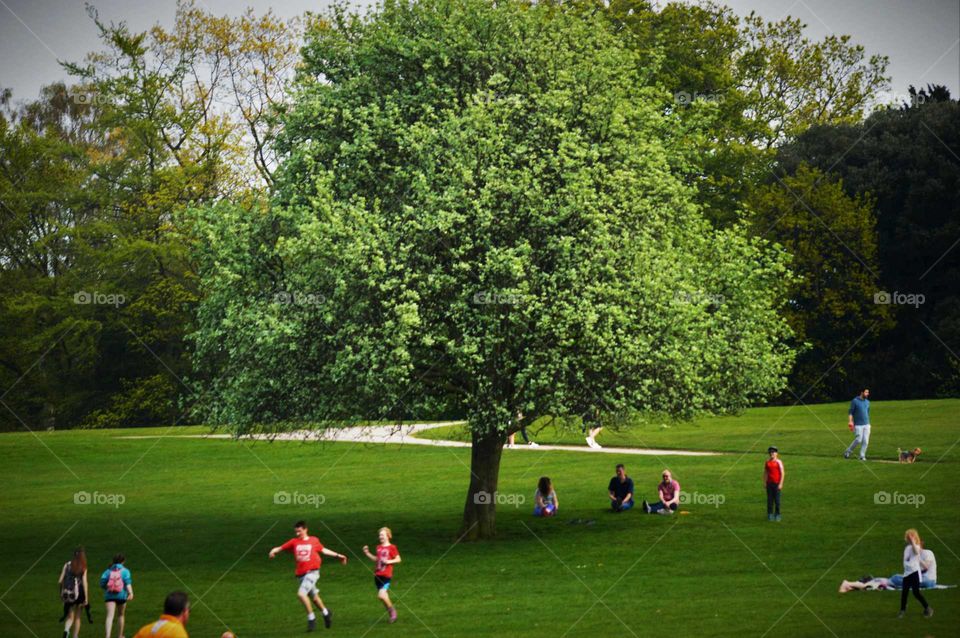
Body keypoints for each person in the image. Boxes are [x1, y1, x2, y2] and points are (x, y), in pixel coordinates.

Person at [269, 520, 348, 631]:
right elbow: (280, 548)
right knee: (314, 598)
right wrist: (273, 551)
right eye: (296, 532)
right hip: (300, 575)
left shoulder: (313, 540)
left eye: (299, 531)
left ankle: (311, 619)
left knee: (301, 594)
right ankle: (326, 613)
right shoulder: (294, 541)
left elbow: (324, 550)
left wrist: (339, 556)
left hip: (312, 573)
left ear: (305, 529)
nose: (297, 534)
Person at [362, 527, 402, 624]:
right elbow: (377, 559)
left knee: (381, 596)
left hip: (386, 576)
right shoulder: (378, 547)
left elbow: (398, 559)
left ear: (388, 536)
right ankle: (392, 615)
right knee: (384, 597)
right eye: (379, 535)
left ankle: (393, 612)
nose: (380, 537)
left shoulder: (392, 547)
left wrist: (388, 561)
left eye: (382, 535)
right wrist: (367, 553)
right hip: (377, 576)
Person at [898, 529, 933, 618]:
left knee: (916, 592)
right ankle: (902, 610)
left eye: (911, 537)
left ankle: (928, 608)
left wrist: (913, 542)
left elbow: (916, 552)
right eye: (908, 537)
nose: (909, 538)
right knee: (904, 593)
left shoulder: (916, 546)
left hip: (914, 573)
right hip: (907, 574)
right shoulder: (907, 548)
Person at [100, 553, 134, 638]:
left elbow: (102, 583)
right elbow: (127, 583)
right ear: (123, 561)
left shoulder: (108, 571)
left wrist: (107, 588)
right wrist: (130, 593)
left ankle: (107, 636)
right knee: (121, 615)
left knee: (109, 616)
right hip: (121, 596)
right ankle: (120, 635)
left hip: (109, 596)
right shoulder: (125, 571)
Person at [59, 547, 89, 638]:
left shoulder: (67, 565)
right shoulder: (83, 566)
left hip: (68, 593)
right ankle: (75, 636)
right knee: (78, 617)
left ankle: (66, 630)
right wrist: (86, 598)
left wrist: (61, 593)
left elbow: (60, 581)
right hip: (79, 594)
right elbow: (84, 582)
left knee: (70, 616)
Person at [844, 388, 871, 460]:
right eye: (866, 392)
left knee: (866, 441)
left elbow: (867, 413)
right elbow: (850, 413)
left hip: (867, 424)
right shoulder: (854, 401)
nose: (867, 394)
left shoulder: (868, 402)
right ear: (862, 392)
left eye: (868, 392)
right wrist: (850, 421)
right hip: (858, 425)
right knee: (858, 440)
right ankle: (848, 451)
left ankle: (862, 455)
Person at [764, 446, 784, 521]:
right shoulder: (767, 462)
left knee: (777, 500)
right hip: (769, 483)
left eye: (773, 452)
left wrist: (781, 483)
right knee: (769, 500)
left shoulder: (779, 462)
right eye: (770, 452)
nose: (771, 453)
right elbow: (765, 472)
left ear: (776, 453)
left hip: (777, 483)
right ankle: (770, 514)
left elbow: (782, 473)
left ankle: (777, 514)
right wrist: (765, 482)